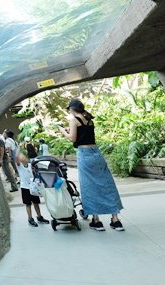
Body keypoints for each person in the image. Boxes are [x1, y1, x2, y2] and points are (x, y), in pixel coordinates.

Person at [58, 98, 124, 231]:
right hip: (96, 153)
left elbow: (72, 138)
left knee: (89, 186)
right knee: (107, 184)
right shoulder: (89, 120)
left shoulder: (74, 120)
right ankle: (116, 220)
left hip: (84, 154)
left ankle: (96, 220)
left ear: (72, 109)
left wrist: (62, 131)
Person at [16, 153, 49, 227]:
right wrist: (18, 148)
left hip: (33, 187)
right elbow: (16, 157)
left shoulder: (30, 165)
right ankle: (30, 218)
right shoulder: (20, 166)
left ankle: (39, 217)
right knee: (28, 204)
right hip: (25, 187)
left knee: (36, 203)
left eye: (24, 157)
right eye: (21, 157)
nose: (23, 158)